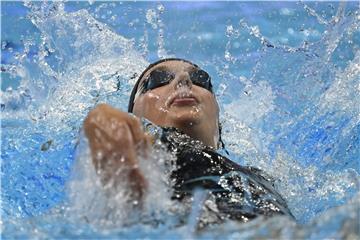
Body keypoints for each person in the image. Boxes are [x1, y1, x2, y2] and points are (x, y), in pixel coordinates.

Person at [83, 58, 293, 227]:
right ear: (134, 114)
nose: (184, 79)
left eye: (201, 79)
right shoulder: (150, 159)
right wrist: (103, 121)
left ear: (219, 124)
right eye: (159, 79)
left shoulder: (260, 177)